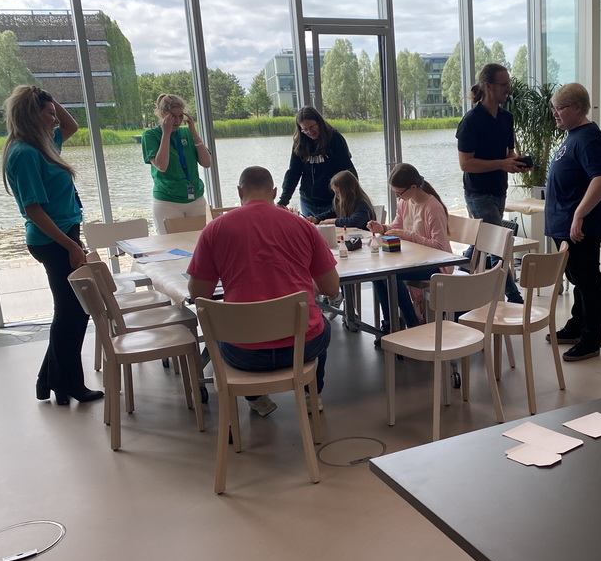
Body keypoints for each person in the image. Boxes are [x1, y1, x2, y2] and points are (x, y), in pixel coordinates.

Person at [187, 166, 339, 417]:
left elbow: (198, 293)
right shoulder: (304, 226)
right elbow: (330, 288)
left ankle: (257, 398)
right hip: (302, 348)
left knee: (221, 331)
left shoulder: (214, 230)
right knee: (323, 325)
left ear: (239, 192)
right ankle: (313, 395)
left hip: (244, 353)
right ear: (275, 192)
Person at [2, 85, 103, 406]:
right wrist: (70, 246)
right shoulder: (26, 153)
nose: (55, 118)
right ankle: (69, 384)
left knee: (71, 311)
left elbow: (71, 126)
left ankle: (49, 380)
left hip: (63, 234)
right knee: (73, 312)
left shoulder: (43, 143)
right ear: (32, 115)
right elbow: (33, 210)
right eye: (48, 113)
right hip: (53, 240)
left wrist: (44, 96)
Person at [544, 82, 601, 362]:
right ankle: (576, 326)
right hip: (565, 223)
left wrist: (579, 215)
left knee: (587, 282)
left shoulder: (589, 137)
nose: (555, 114)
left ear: (576, 107)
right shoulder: (574, 135)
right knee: (576, 279)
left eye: (559, 109)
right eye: (554, 109)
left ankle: (590, 339)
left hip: (578, 226)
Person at [455, 63, 527, 303]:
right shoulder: (471, 121)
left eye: (509, 83)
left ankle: (464, 266)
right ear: (488, 86)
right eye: (503, 84)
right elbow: (466, 163)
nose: (508, 88)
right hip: (478, 192)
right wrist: (501, 164)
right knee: (498, 244)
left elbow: (508, 152)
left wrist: (517, 161)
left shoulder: (507, 117)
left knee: (486, 240)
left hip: (499, 188)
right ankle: (513, 298)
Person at [366, 163, 452, 330]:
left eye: (399, 192)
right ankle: (391, 323)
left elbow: (440, 248)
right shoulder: (405, 202)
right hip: (415, 259)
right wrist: (382, 228)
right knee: (378, 274)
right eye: (395, 193)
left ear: (413, 187)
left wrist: (408, 235)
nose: (397, 197)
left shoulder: (432, 207)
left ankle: (412, 325)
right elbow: (397, 226)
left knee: (392, 274)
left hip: (437, 264)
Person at [141, 93, 212, 234]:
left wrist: (195, 134)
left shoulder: (186, 133)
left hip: (195, 198)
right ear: (163, 114)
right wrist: (166, 134)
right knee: (171, 245)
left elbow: (207, 163)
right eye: (173, 116)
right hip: (168, 201)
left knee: (203, 241)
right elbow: (162, 166)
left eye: (181, 116)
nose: (177, 121)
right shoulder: (150, 136)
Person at [278, 106, 356, 219]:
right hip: (308, 202)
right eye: (305, 129)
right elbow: (293, 172)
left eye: (312, 127)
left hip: (333, 202)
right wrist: (283, 200)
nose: (310, 132)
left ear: (319, 122)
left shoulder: (334, 139)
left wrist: (349, 198)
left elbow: (347, 170)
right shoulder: (299, 143)